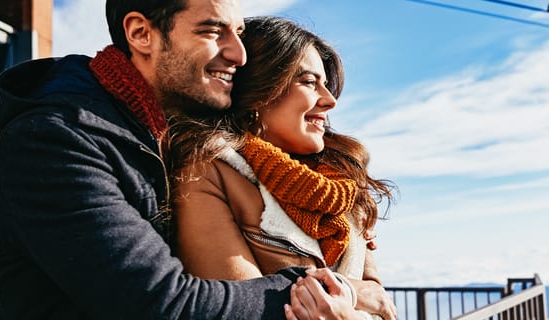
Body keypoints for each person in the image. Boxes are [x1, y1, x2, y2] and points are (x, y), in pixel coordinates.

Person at [0, 1, 321, 318]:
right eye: (212, 31)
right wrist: (324, 289)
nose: (239, 54)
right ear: (140, 34)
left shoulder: (167, 133)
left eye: (239, 33)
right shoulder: (53, 141)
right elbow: (163, 305)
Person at [167, 17, 397, 319]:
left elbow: (383, 307)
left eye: (326, 86)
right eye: (309, 82)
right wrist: (350, 300)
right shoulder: (208, 173)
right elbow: (240, 310)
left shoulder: (342, 186)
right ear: (260, 93)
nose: (329, 102)